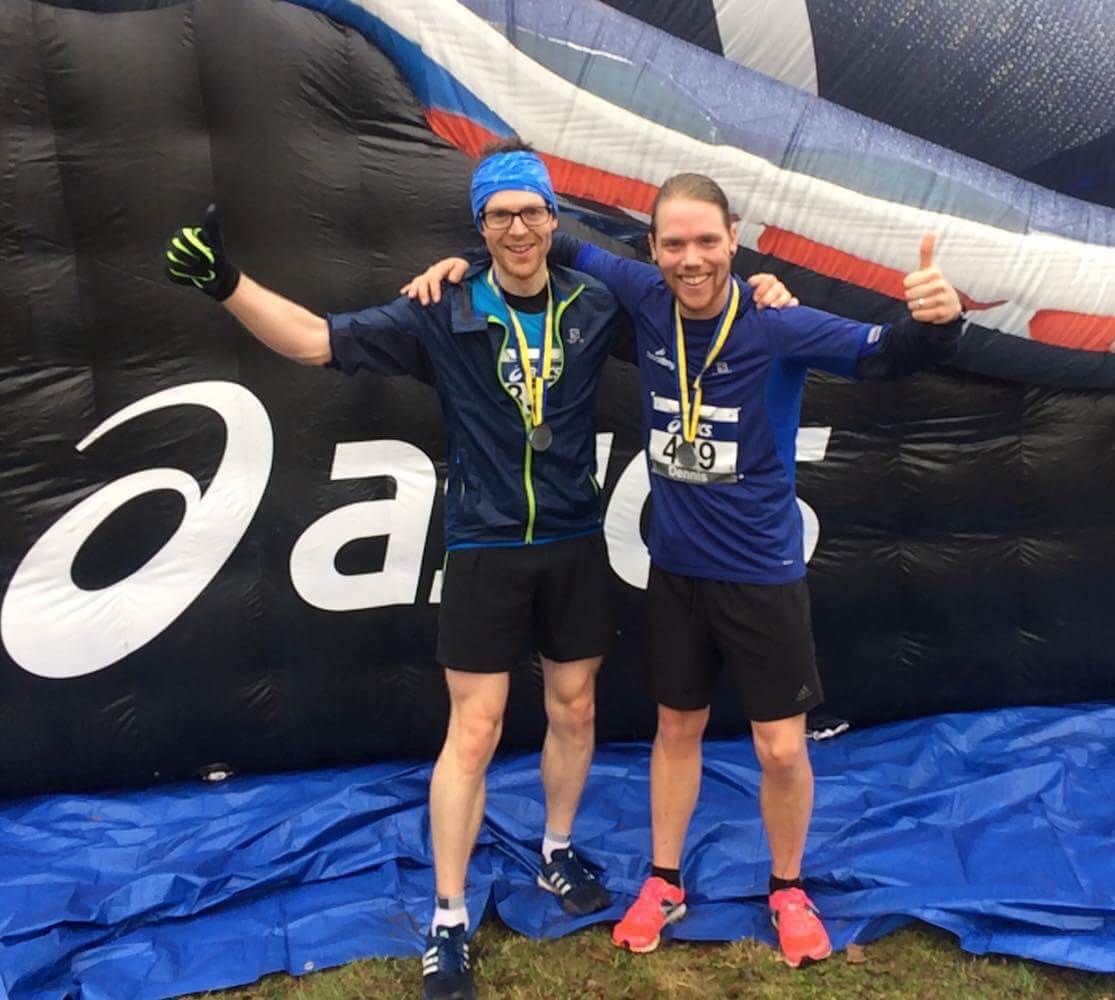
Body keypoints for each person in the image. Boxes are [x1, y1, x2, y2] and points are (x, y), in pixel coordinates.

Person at [164, 146, 793, 1000]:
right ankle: (449, 918)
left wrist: (762, 291)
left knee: (576, 707)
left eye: (531, 212)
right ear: (481, 225)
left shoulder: (595, 303)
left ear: (552, 219)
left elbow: (693, 313)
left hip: (574, 541)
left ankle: (556, 849)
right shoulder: (444, 308)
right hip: (485, 546)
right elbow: (315, 341)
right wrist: (225, 283)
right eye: (500, 215)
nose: (519, 228)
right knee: (476, 728)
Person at [403, 171, 964, 969]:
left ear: (734, 239)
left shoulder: (777, 321)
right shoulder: (641, 293)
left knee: (780, 749)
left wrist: (939, 324)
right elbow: (540, 240)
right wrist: (460, 265)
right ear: (653, 248)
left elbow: (884, 356)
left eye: (707, 241)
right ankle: (663, 880)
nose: (691, 258)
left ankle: (788, 887)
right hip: (675, 572)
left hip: (762, 574)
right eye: (674, 244)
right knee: (676, 730)